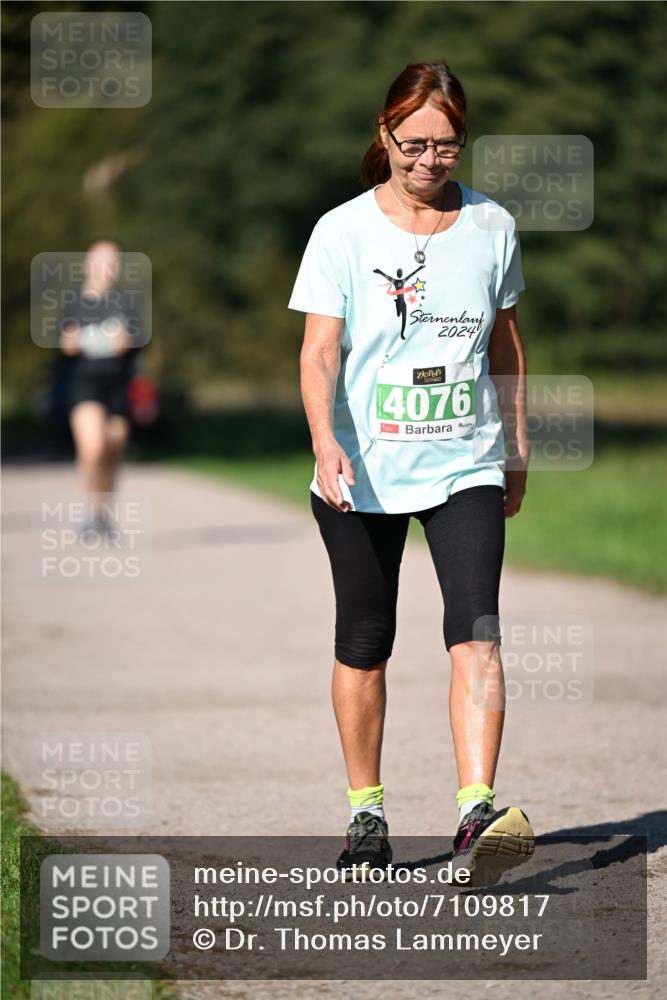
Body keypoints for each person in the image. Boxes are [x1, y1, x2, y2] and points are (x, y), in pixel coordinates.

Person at [289, 62, 535, 884]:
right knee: (365, 639)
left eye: (448, 144)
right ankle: (366, 816)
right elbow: (319, 351)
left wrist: (515, 441)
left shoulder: (492, 225)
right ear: (384, 135)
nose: (431, 159)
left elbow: (503, 342)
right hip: (360, 468)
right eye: (415, 143)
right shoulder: (342, 231)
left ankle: (475, 813)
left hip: (463, 456)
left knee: (477, 627)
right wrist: (325, 440)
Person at [59, 241, 140, 536]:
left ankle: (103, 511)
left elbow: (129, 344)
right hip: (84, 385)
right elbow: (66, 345)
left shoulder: (127, 303)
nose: (106, 267)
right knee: (93, 446)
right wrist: (98, 340)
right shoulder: (73, 302)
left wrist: (95, 340)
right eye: (100, 261)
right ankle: (88, 510)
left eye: (112, 262)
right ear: (87, 265)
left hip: (118, 387)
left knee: (112, 451)